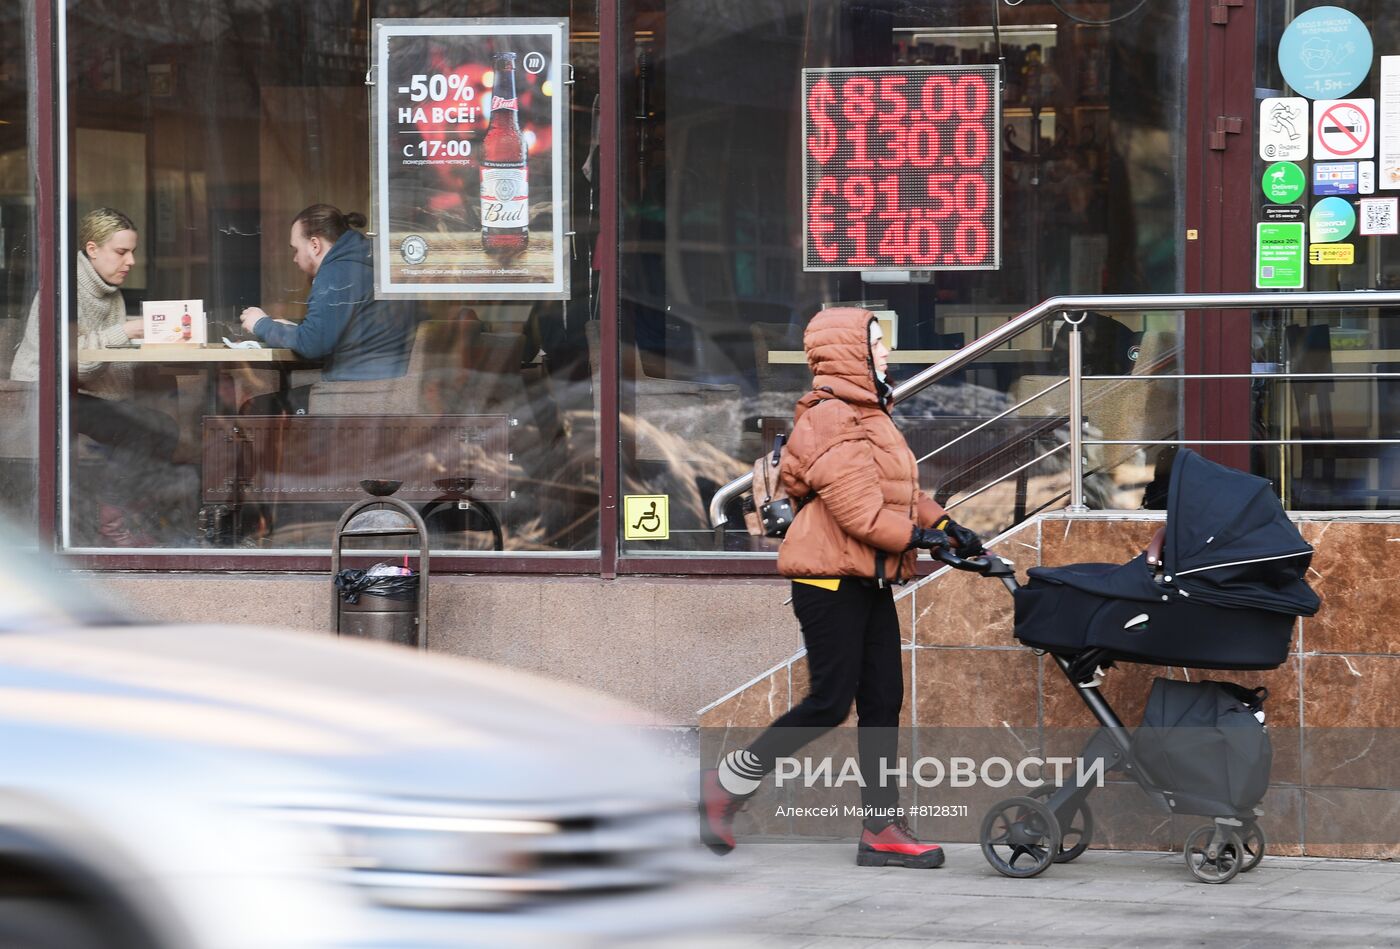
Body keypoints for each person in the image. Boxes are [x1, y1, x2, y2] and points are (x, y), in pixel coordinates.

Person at [698, 307, 985, 868]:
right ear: (849, 352)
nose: (886, 354)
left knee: (883, 701)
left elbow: (897, 494)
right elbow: (860, 514)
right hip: (828, 579)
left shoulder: (871, 415)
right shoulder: (830, 417)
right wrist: (924, 538)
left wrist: (949, 527)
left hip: (868, 575)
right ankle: (725, 787)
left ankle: (881, 828)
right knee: (829, 702)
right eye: (876, 344)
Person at [10, 208, 178, 546]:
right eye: (121, 252)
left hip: (83, 392)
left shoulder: (109, 292)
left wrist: (146, 340)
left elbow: (107, 357)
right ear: (92, 249)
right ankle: (112, 525)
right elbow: (73, 363)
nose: (130, 260)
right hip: (45, 390)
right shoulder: (63, 289)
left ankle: (123, 515)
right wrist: (125, 332)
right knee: (138, 430)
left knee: (163, 427)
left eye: (133, 251)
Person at [239, 205, 415, 414]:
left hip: (355, 393)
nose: (295, 258)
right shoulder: (367, 264)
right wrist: (296, 330)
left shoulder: (337, 272)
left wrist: (261, 324)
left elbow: (312, 345)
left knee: (254, 410)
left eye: (296, 249)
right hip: (388, 386)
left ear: (315, 245)